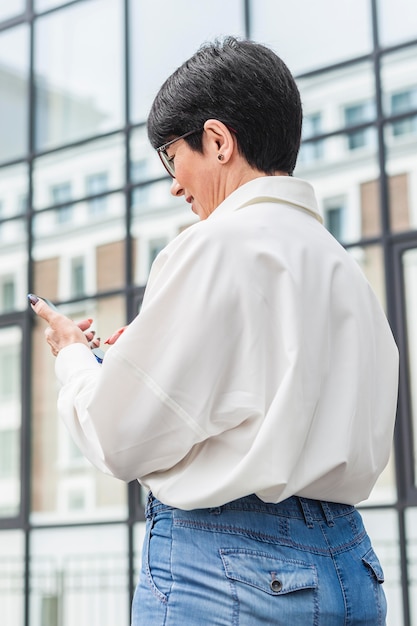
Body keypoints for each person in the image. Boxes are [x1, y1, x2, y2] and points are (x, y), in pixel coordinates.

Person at [29, 36, 399, 626]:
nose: (175, 185)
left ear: (218, 141)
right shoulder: (343, 268)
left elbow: (117, 436)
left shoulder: (214, 245)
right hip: (351, 568)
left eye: (172, 158)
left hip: (230, 568)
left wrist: (74, 358)